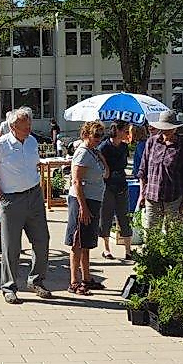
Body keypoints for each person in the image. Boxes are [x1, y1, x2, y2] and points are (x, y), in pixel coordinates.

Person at [0, 107, 53, 304]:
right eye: (25, 126)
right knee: (11, 247)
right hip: (12, 200)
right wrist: (1, 197)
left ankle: (36, 280)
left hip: (34, 196)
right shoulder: (1, 145)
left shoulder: (32, 142)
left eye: (30, 125)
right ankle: (9, 286)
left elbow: (33, 164)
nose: (29, 129)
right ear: (13, 127)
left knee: (42, 241)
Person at [63, 121, 108, 295]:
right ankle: (74, 281)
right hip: (83, 200)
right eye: (96, 135)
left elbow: (107, 173)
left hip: (94, 199)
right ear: (86, 135)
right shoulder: (82, 153)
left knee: (87, 242)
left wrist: (101, 156)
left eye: (100, 136)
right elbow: (76, 182)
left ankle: (87, 278)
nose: (99, 139)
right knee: (77, 242)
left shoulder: (93, 152)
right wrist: (83, 207)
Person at [137, 110, 183, 231]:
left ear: (175, 128)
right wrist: (142, 193)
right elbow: (143, 170)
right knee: (150, 234)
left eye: (170, 128)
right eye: (164, 128)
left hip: (173, 196)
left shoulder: (182, 145)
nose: (166, 131)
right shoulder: (151, 142)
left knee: (173, 235)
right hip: (152, 196)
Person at [99, 121, 133, 260]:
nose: (127, 134)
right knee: (106, 216)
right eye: (125, 131)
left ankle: (128, 250)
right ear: (117, 131)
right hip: (107, 185)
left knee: (124, 216)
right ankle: (106, 248)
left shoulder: (124, 147)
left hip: (121, 184)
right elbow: (100, 166)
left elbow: (124, 164)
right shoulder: (104, 147)